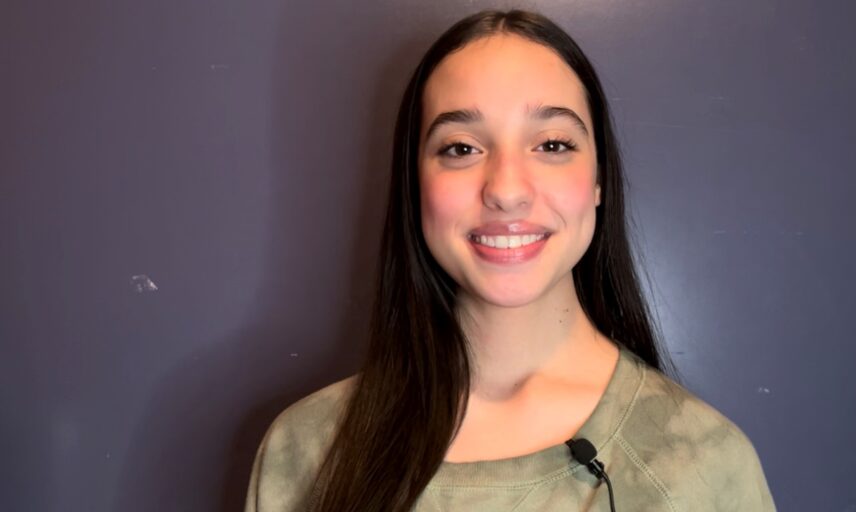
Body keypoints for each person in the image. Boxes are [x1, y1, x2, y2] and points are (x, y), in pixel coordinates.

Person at [245, 8, 775, 512]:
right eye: (461, 148)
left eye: (550, 144)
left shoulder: (704, 465)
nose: (506, 190)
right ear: (415, 186)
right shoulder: (307, 450)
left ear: (598, 182)